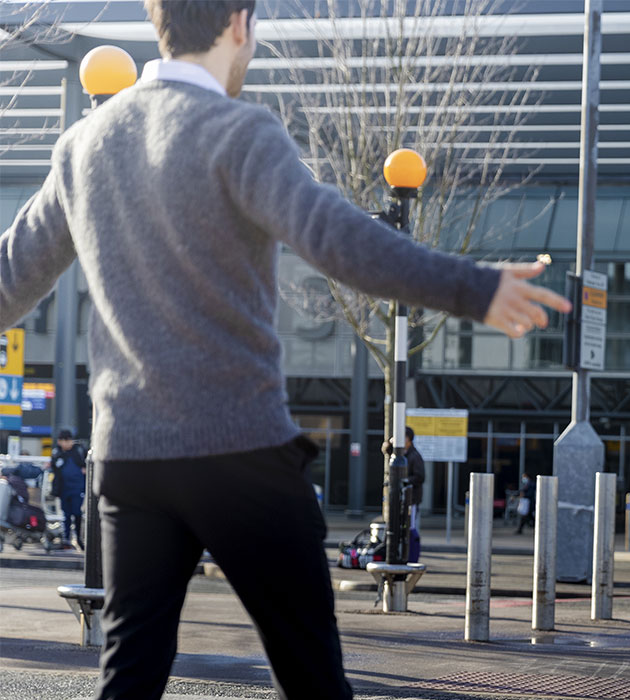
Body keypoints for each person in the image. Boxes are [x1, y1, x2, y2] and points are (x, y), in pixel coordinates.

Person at [0, 2, 571, 697]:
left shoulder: (84, 144)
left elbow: (10, 278)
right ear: (238, 24)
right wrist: (473, 287)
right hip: (238, 451)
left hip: (129, 459)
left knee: (130, 674)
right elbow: (337, 238)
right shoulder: (239, 132)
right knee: (311, 675)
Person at [49, 429, 88, 549]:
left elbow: (87, 465)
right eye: (64, 440)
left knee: (77, 513)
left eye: (68, 440)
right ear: (60, 441)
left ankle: (78, 539)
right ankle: (66, 539)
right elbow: (54, 469)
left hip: (77, 488)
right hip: (63, 489)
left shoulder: (80, 451)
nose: (67, 443)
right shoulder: (57, 454)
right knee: (66, 514)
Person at [404, 427, 425, 561]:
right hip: (405, 499)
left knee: (411, 528)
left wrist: (405, 481)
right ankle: (406, 554)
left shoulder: (414, 456)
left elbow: (420, 476)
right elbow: (386, 449)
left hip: (412, 499)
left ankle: (411, 556)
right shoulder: (402, 454)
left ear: (409, 440)